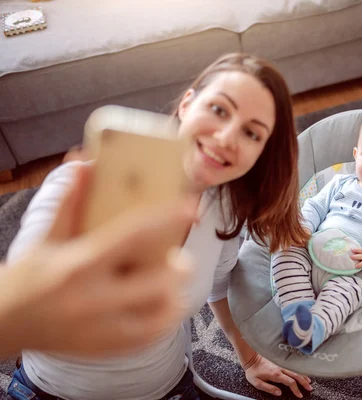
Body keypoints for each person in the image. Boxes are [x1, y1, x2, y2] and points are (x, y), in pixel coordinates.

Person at [5, 53, 312, 400]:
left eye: (251, 133)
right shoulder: (76, 186)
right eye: (220, 110)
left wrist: (251, 358)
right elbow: (21, 288)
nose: (227, 137)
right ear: (187, 104)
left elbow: (218, 287)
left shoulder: (224, 207)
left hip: (167, 388)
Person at [0, 164, 197, 358]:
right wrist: (21, 311)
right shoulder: (69, 181)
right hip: (45, 384)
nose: (223, 139)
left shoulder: (219, 203)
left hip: (171, 375)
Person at [272, 110, 362, 354]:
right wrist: (304, 229)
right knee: (284, 251)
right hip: (312, 251)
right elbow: (313, 206)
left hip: (355, 271)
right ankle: (298, 309)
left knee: (341, 297)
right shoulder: (339, 182)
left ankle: (312, 329)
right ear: (355, 155)